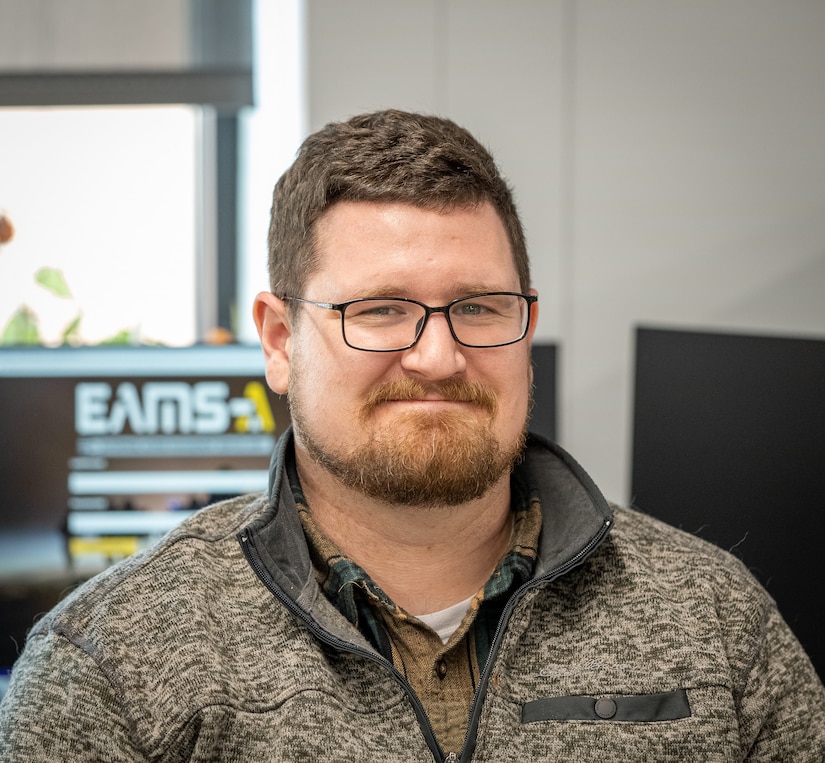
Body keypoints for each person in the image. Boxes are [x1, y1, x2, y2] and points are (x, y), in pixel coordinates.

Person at [1, 109, 823, 761]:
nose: (437, 356)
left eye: (478, 307)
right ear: (280, 341)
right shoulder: (109, 664)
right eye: (380, 310)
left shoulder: (715, 621)